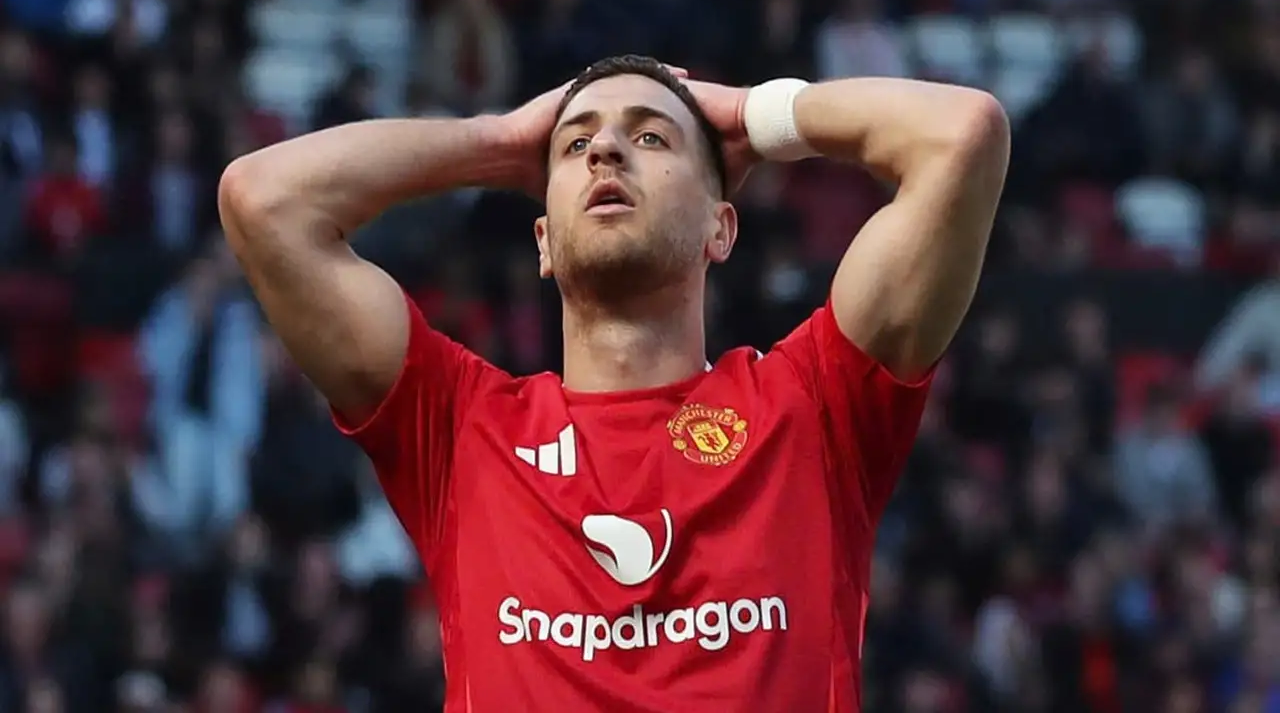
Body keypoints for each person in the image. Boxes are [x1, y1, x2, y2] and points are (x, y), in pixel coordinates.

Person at [218, 55, 1009, 712]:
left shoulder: (812, 407)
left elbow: (962, 135)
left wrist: (750, 115)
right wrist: (500, 141)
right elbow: (265, 201)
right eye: (574, 145)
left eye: (651, 136)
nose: (605, 150)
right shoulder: (461, 428)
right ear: (542, 242)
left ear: (721, 227)